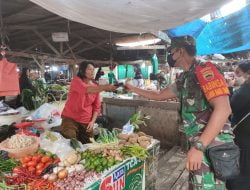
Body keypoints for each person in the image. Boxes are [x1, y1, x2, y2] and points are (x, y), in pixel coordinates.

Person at [125, 36, 234, 189]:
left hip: (210, 148)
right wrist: (132, 88)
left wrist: (199, 147)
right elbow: (159, 95)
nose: (170, 56)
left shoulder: (205, 70)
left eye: (172, 52)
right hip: (198, 146)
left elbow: (223, 109)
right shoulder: (185, 77)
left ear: (181, 51)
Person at [61, 63, 118, 144]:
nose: (92, 71)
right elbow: (86, 89)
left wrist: (92, 122)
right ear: (82, 70)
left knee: (89, 144)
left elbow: (96, 107)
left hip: (86, 120)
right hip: (70, 118)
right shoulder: (76, 81)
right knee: (70, 140)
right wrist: (105, 87)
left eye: (93, 69)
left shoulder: (95, 86)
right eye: (89, 69)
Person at [226, 61, 250, 190]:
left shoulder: (245, 91)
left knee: (241, 174)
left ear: (248, 74)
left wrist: (229, 88)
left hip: (243, 139)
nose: (235, 75)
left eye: (238, 73)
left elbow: (228, 108)